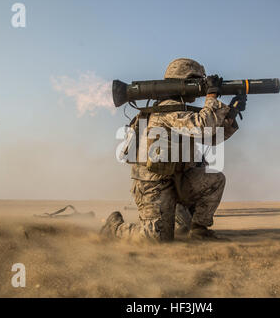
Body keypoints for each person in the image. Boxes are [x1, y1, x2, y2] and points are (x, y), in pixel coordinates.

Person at [101, 58, 246, 241]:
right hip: (155, 184)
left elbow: (210, 137)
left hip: (178, 178)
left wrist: (231, 114)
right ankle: (114, 227)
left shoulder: (183, 111)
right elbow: (201, 126)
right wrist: (211, 97)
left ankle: (199, 229)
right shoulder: (168, 108)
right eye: (197, 81)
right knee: (155, 239)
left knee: (215, 181)